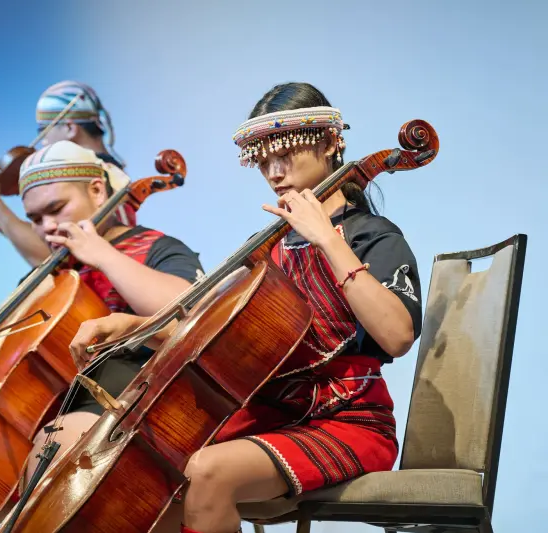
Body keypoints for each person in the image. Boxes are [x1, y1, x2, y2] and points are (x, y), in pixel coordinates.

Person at [69, 82, 423, 533]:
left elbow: (397, 335)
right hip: (275, 414)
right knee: (146, 464)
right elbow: (221, 342)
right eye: (262, 161)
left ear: (333, 142)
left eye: (286, 152)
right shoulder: (274, 249)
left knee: (207, 471)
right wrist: (133, 326)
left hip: (349, 420)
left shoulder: (371, 234)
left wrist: (327, 239)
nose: (274, 172)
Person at [0, 140, 203, 514]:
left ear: (97, 190)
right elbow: (8, 371)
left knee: (55, 450)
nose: (47, 227)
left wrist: (103, 255)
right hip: (55, 418)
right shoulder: (47, 277)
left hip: (142, 411)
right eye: (35, 218)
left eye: (56, 209)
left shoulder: (155, 247)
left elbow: (192, 315)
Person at [0, 80, 136, 267]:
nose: (42, 143)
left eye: (44, 132)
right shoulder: (102, 172)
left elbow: (52, 259)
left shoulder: (102, 175)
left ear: (69, 128)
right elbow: (48, 242)